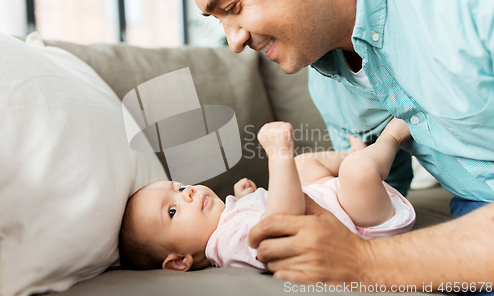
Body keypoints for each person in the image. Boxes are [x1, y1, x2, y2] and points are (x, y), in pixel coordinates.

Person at [152, 0, 494, 289]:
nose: (234, 41)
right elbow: (381, 196)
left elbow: (369, 243)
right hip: (472, 208)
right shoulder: (328, 83)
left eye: (234, 5)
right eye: (218, 19)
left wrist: (364, 260)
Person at [119, 119, 415, 271]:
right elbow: (282, 222)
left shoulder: (227, 224)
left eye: (180, 187)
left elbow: (258, 215)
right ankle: (392, 138)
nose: (188, 193)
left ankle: (354, 154)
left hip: (333, 203)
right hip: (361, 227)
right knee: (357, 172)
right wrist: (278, 154)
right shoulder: (225, 245)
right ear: (179, 261)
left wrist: (244, 198)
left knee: (304, 165)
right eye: (172, 211)